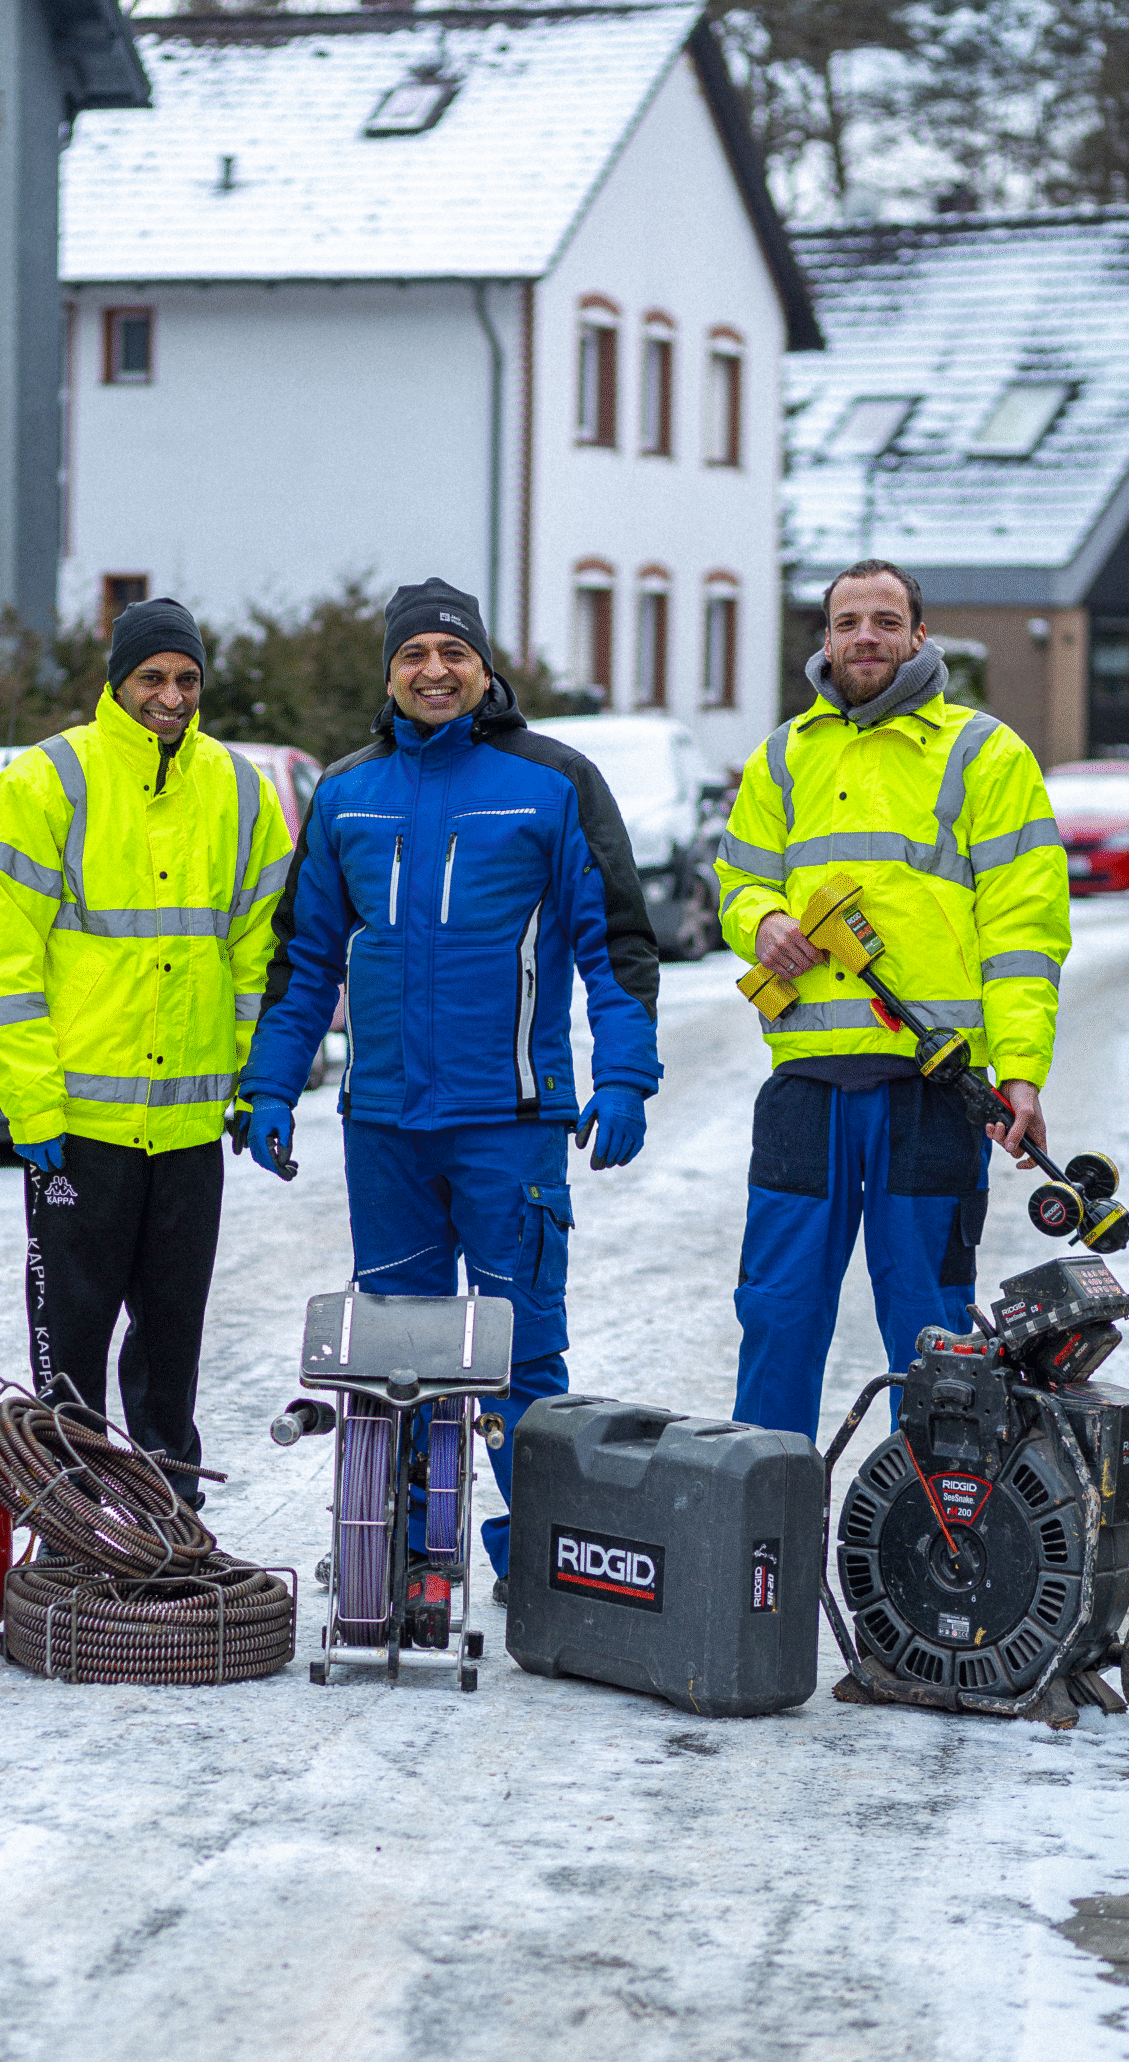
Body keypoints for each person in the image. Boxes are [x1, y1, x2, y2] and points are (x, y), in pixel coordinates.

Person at [236, 576, 662, 1606]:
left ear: (483, 667)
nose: (434, 672)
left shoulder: (552, 781)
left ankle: (542, 1560)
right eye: (413, 656)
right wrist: (270, 1087)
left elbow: (619, 944)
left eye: (453, 654)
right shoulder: (346, 792)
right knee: (400, 1360)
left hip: (509, 1127)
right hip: (385, 1126)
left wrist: (626, 1075)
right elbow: (305, 960)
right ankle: (414, 1556)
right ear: (389, 671)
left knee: (522, 1357)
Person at [716, 557, 1070, 1440]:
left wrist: (1019, 1072)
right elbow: (736, 881)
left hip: (933, 1088)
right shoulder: (782, 756)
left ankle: (928, 1550)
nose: (863, 638)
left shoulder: (984, 753)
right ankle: (765, 1528)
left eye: (883, 621)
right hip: (806, 1086)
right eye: (846, 623)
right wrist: (759, 920)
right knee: (777, 1314)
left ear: (918, 635)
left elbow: (1025, 932)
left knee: (932, 1332)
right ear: (825, 640)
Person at [0, 596, 291, 1492]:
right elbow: (2, 961)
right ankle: (74, 1520)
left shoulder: (238, 789)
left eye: (187, 679)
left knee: (172, 1343)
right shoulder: (45, 782)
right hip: (78, 1127)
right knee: (71, 1350)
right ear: (117, 681)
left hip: (187, 1129)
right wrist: (28, 1101)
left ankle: (165, 1513)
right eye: (152, 676)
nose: (171, 695)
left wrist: (250, 1082)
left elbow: (256, 950)